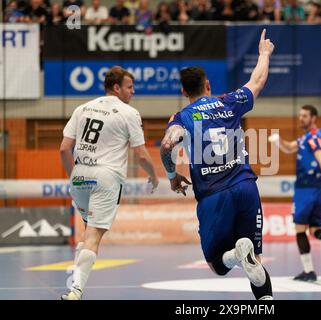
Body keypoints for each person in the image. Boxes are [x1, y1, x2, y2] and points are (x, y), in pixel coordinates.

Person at [160, 29, 274, 300]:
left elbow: (167, 145)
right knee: (256, 258)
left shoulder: (182, 116)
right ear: (208, 85)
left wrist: (172, 175)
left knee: (216, 265)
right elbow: (257, 81)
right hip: (246, 187)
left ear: (183, 91)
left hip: (214, 196)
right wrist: (264, 53)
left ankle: (236, 254)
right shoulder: (229, 101)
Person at [59, 66, 159, 300]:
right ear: (117, 88)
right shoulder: (128, 113)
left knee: (86, 234)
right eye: (130, 87)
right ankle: (75, 292)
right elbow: (142, 155)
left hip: (80, 175)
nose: (133, 92)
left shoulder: (82, 108)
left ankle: (75, 287)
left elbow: (64, 148)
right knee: (93, 237)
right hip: (107, 177)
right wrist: (154, 176)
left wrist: (73, 177)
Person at [268, 105, 321, 282]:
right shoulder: (306, 138)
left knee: (299, 229)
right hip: (320, 191)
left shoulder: (314, 138)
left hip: (306, 189)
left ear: (314, 118)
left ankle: (309, 271)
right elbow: (289, 148)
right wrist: (278, 141)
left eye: (304, 116)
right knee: (313, 229)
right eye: (300, 115)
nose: (300, 118)